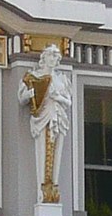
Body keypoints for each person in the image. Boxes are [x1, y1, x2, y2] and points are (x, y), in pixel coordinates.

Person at [18, 44, 72, 206]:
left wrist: (58, 97)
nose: (54, 59)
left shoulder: (62, 79)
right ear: (44, 58)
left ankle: (53, 185)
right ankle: (43, 190)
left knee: (56, 151)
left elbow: (68, 102)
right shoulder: (33, 76)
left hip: (59, 116)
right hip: (43, 116)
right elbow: (22, 98)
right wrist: (29, 94)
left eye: (56, 56)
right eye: (51, 55)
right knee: (43, 150)